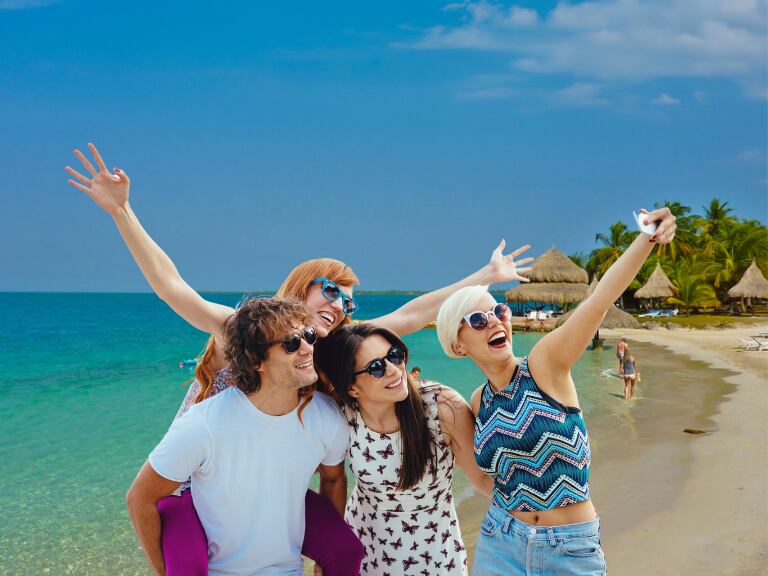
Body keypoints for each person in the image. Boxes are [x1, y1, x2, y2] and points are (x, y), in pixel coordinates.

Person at [65, 142, 535, 575]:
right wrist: (122, 211)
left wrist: (485, 276)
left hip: (270, 490)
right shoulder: (247, 331)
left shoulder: (328, 351)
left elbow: (414, 312)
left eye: (348, 302)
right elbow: (173, 288)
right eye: (330, 290)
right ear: (302, 285)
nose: (339, 306)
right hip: (197, 482)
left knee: (342, 549)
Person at [435, 207, 676, 576]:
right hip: (500, 541)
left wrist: (646, 240)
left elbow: (597, 303)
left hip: (571, 547)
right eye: (478, 320)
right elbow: (486, 480)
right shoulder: (478, 402)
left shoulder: (543, 365)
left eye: (498, 311)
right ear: (457, 345)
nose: (496, 322)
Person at [126, 297, 349, 576]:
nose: (307, 349)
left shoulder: (326, 418)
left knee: (349, 551)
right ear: (257, 362)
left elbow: (334, 478)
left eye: (308, 336)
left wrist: (325, 555)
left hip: (287, 569)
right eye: (291, 343)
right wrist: (164, 570)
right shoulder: (203, 425)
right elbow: (139, 498)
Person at [315, 323, 495, 576]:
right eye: (376, 368)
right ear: (352, 388)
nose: (393, 370)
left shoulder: (443, 407)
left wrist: (549, 517)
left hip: (433, 554)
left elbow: (483, 480)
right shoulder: (341, 416)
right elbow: (328, 478)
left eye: (394, 355)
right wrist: (328, 551)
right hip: (364, 548)